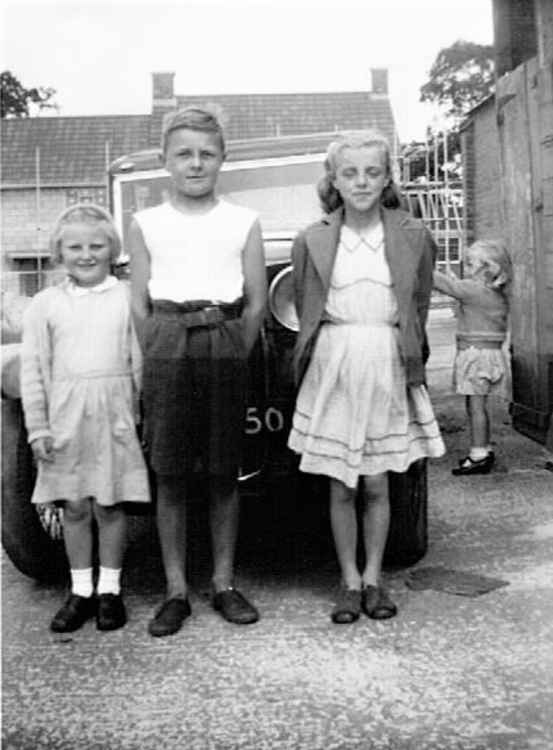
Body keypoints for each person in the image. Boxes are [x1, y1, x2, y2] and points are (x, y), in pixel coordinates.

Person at [288, 130, 445, 624]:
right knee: (342, 484)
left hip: (384, 355)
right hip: (336, 359)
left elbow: (416, 303)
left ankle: (375, 578)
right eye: (350, 172)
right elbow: (305, 302)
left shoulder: (412, 235)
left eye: (372, 172)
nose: (361, 181)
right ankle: (348, 581)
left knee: (377, 482)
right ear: (333, 179)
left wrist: (408, 358)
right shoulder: (311, 237)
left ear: (387, 178)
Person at [129, 107, 267, 637]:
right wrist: (161, 349)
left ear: (222, 159)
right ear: (166, 161)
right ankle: (175, 590)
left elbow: (255, 301)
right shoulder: (147, 224)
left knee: (221, 470)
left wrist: (234, 347)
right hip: (167, 339)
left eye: (206, 154)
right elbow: (139, 303)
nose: (195, 164)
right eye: (183, 154)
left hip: (223, 339)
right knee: (169, 472)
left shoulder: (241, 221)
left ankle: (225, 583)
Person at [20, 203, 151, 633]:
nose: (86, 254)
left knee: (110, 505)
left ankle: (111, 590)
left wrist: (137, 415)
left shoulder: (127, 298)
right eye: (75, 246)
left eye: (96, 245)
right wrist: (38, 427)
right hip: (65, 417)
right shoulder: (45, 304)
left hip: (113, 412)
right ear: (59, 251)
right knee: (75, 507)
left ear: (112, 249)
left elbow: (138, 362)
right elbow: (35, 370)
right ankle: (81, 591)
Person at [433, 239, 512, 475]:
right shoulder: (495, 293)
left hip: (475, 356)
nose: (465, 268)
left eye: (469, 263)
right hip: (490, 354)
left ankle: (479, 454)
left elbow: (446, 285)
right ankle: (484, 448)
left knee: (476, 407)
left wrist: (422, 261)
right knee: (478, 406)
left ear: (487, 268)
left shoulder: (473, 290)